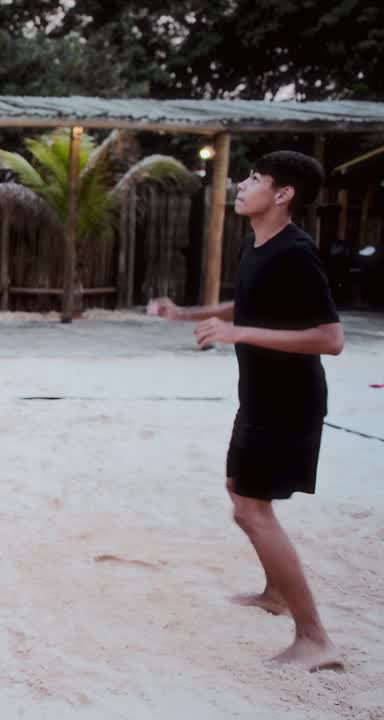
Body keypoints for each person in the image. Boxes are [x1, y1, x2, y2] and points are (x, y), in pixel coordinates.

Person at [148, 150, 344, 671]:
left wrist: (238, 334)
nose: (242, 184)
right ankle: (275, 593)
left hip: (289, 402)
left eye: (255, 179)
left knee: (250, 509)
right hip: (258, 394)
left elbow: (331, 338)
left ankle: (315, 638)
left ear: (283, 195)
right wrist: (187, 313)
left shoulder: (297, 253)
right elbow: (249, 304)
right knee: (242, 494)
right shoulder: (258, 244)